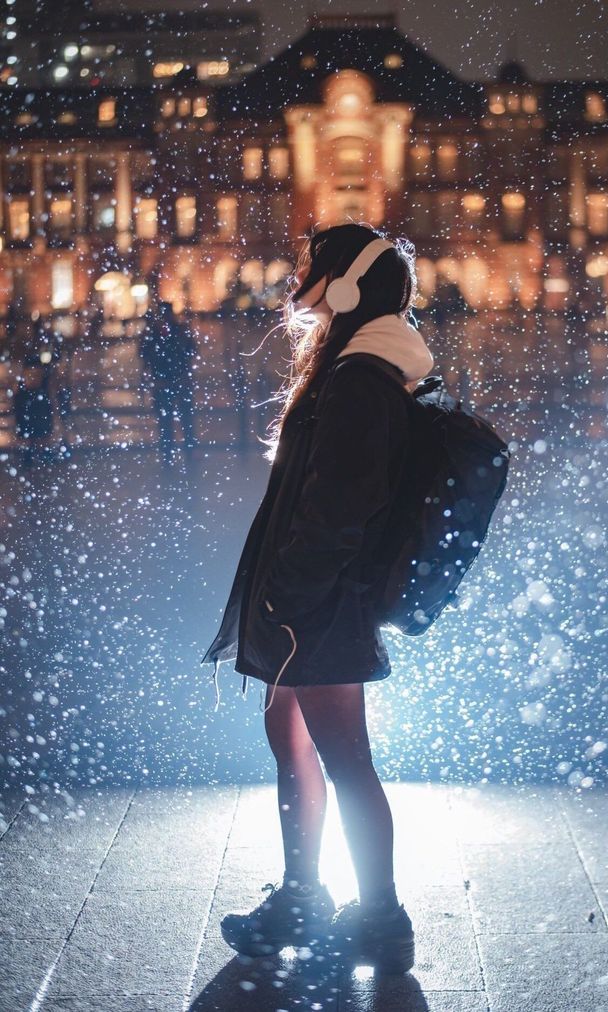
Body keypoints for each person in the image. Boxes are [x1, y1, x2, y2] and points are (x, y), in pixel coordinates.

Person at [202, 223, 435, 974]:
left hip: (319, 605)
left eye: (316, 266)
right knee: (293, 744)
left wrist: (290, 596)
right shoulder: (358, 363)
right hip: (308, 600)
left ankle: (382, 917)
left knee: (343, 758)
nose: (303, 278)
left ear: (345, 283)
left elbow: (342, 503)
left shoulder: (362, 375)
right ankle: (305, 894)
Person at [139, 300, 197, 462]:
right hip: (172, 381)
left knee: (171, 421)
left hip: (167, 381)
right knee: (179, 420)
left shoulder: (156, 332)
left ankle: (171, 455)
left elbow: (144, 354)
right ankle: (179, 454)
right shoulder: (176, 330)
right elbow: (191, 350)